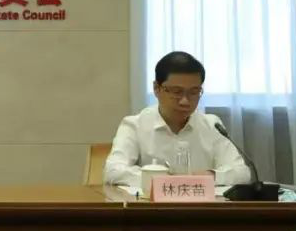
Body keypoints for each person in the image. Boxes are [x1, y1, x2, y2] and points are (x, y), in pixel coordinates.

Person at [104, 51, 250, 187]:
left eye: (194, 92)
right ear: (156, 88)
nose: (185, 101)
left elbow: (242, 173)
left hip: (201, 205)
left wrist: (211, 176)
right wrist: (162, 180)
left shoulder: (212, 125)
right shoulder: (134, 125)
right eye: (176, 92)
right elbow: (113, 171)